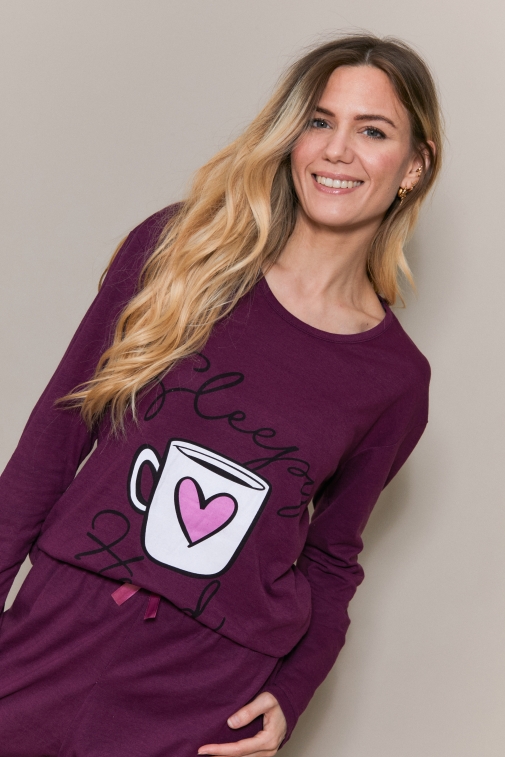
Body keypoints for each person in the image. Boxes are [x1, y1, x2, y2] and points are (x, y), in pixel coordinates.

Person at [0, 33, 442, 757]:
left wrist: (292, 693)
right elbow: (55, 437)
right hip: (60, 623)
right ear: (291, 136)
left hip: (206, 683)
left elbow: (332, 558)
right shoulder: (178, 253)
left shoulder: (394, 378)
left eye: (372, 131)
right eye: (319, 121)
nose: (337, 150)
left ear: (414, 165)